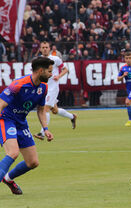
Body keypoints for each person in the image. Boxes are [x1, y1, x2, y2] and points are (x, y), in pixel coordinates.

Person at [0, 57, 54, 195]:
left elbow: (41, 110)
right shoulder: (18, 84)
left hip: (21, 123)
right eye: (49, 71)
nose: (51, 74)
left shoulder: (44, 87)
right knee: (13, 153)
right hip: (6, 119)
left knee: (33, 162)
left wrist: (45, 129)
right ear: (40, 70)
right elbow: (1, 104)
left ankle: (8, 179)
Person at [34, 42, 77, 140]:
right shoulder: (37, 60)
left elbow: (65, 69)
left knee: (45, 109)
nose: (45, 49)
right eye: (43, 47)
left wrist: (58, 76)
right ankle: (72, 117)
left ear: (49, 49)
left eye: (46, 47)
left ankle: (42, 133)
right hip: (43, 88)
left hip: (52, 88)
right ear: (40, 49)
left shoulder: (55, 59)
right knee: (55, 111)